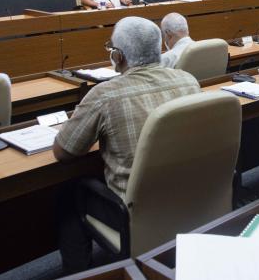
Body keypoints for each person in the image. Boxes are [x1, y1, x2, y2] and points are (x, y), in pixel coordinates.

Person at [53, 16, 200, 272]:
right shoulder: (189, 81)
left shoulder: (104, 95)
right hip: (191, 195)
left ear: (118, 57)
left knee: (69, 195)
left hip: (135, 212)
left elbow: (64, 152)